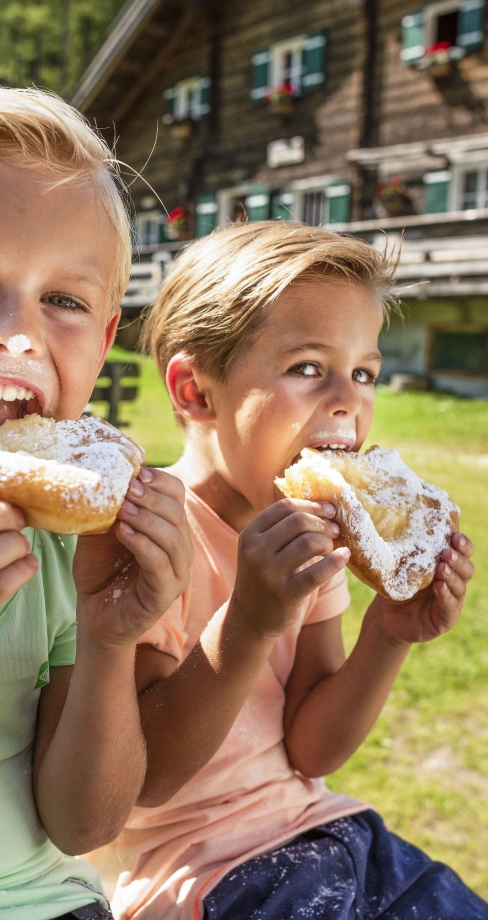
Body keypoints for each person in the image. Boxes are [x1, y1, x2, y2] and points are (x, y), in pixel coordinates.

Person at [91, 222, 485, 920]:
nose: (349, 399)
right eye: (308, 367)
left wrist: (388, 635)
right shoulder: (145, 534)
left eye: (364, 371)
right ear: (195, 391)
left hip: (329, 833)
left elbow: (310, 750)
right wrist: (248, 623)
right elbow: (146, 780)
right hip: (201, 873)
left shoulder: (316, 535)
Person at [0, 87, 192, 920]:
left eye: (63, 300)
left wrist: (107, 638)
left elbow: (82, 824)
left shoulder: (67, 547)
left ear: (101, 343)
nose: (17, 332)